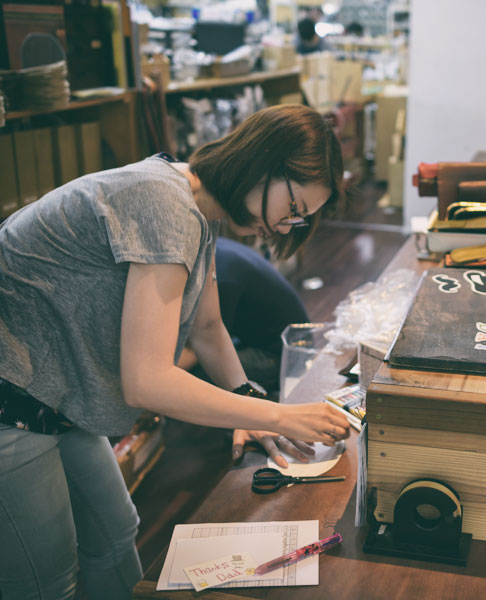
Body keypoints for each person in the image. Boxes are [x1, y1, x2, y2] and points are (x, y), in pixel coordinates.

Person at [0, 104, 351, 599]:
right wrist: (276, 415)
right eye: (293, 209)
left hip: (53, 387)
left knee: (115, 533)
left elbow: (207, 327)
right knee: (45, 577)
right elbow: (148, 380)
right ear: (263, 162)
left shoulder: (194, 208)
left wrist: (246, 400)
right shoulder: (165, 203)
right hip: (10, 388)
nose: (286, 225)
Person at [180, 236, 309, 393]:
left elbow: (203, 342)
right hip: (268, 338)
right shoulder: (210, 246)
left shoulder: (219, 280)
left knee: (194, 377)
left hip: (285, 355)